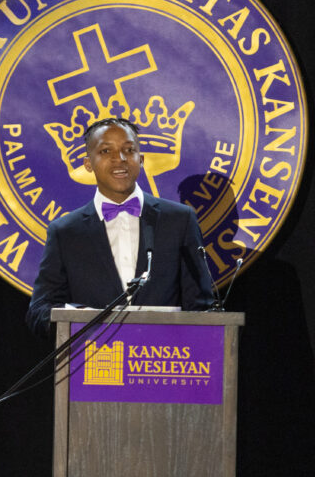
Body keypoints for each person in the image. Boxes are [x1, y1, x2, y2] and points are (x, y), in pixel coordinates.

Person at [26, 117, 214, 338]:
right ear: (88, 164)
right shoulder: (65, 231)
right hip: (95, 362)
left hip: (166, 362)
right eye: (106, 151)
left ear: (141, 159)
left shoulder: (180, 220)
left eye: (129, 149)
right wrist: (78, 317)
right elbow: (39, 312)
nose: (120, 159)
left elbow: (202, 307)